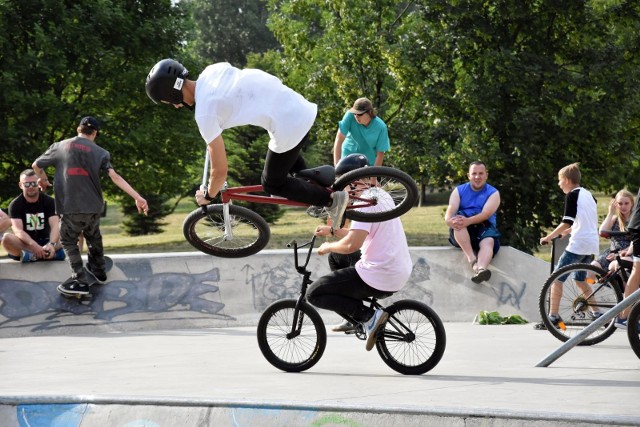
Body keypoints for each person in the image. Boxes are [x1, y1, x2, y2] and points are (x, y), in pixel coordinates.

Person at [145, 58, 349, 229]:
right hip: (297, 106)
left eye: (170, 102)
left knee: (272, 182)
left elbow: (220, 170)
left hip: (289, 123)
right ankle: (322, 184)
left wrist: (208, 194)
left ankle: (332, 201)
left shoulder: (205, 113)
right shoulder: (211, 71)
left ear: (171, 93)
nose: (176, 106)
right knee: (285, 158)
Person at [32, 116, 149, 297]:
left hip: (71, 206)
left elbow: (36, 165)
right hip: (94, 206)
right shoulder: (101, 152)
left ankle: (79, 279)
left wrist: (44, 179)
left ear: (78, 129)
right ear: (94, 133)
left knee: (68, 240)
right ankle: (99, 269)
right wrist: (138, 197)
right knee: (93, 235)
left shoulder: (59, 146)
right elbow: (114, 176)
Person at [306, 154, 413, 351]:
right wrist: (331, 231)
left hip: (379, 274)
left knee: (313, 294)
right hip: (398, 269)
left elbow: (351, 245)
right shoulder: (380, 196)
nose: (342, 188)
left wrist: (327, 245)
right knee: (336, 258)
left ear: (352, 182)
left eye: (342, 183)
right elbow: (362, 234)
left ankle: (367, 316)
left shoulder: (364, 205)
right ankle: (355, 313)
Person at [539, 163, 599, 327]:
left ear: (566, 180)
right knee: (580, 279)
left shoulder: (572, 195)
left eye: (559, 181)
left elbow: (567, 221)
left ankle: (552, 316)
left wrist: (549, 237)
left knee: (556, 278)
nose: (559, 184)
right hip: (591, 244)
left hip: (578, 244)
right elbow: (585, 221)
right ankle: (597, 313)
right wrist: (569, 231)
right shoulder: (589, 195)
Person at [444, 161, 501, 283]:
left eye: (481, 173)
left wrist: (468, 221)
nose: (477, 177)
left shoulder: (493, 193)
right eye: (474, 173)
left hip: (483, 227)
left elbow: (485, 214)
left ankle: (481, 270)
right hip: (462, 232)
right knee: (458, 221)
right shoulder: (458, 191)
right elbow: (450, 213)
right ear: (468, 175)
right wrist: (450, 222)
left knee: (489, 240)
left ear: (486, 175)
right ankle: (473, 261)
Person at [1, 169, 65, 262]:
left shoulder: (50, 202)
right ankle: (44, 254)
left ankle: (37, 255)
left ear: (38, 184)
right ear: (20, 185)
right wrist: (34, 246)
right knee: (6, 238)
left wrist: (51, 244)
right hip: (27, 244)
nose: (31, 187)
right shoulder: (15, 205)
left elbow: (55, 225)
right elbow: (18, 231)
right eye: (27, 184)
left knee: (70, 232)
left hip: (47, 241)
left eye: (34, 183)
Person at [332, 98, 390, 167]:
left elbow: (380, 153)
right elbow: (339, 139)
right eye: (354, 113)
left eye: (359, 114)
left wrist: (374, 176)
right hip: (347, 160)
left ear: (370, 112)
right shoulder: (349, 116)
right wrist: (337, 165)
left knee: (371, 177)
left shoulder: (381, 127)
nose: (356, 116)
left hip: (368, 164)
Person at [592, 189, 634, 273]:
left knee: (615, 265)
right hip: (613, 252)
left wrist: (624, 251)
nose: (623, 206)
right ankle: (594, 285)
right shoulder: (614, 219)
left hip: (630, 251)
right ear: (616, 204)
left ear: (632, 203)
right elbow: (602, 232)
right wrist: (610, 213)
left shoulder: (635, 220)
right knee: (593, 267)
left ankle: (624, 285)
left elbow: (637, 241)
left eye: (626, 203)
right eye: (620, 203)